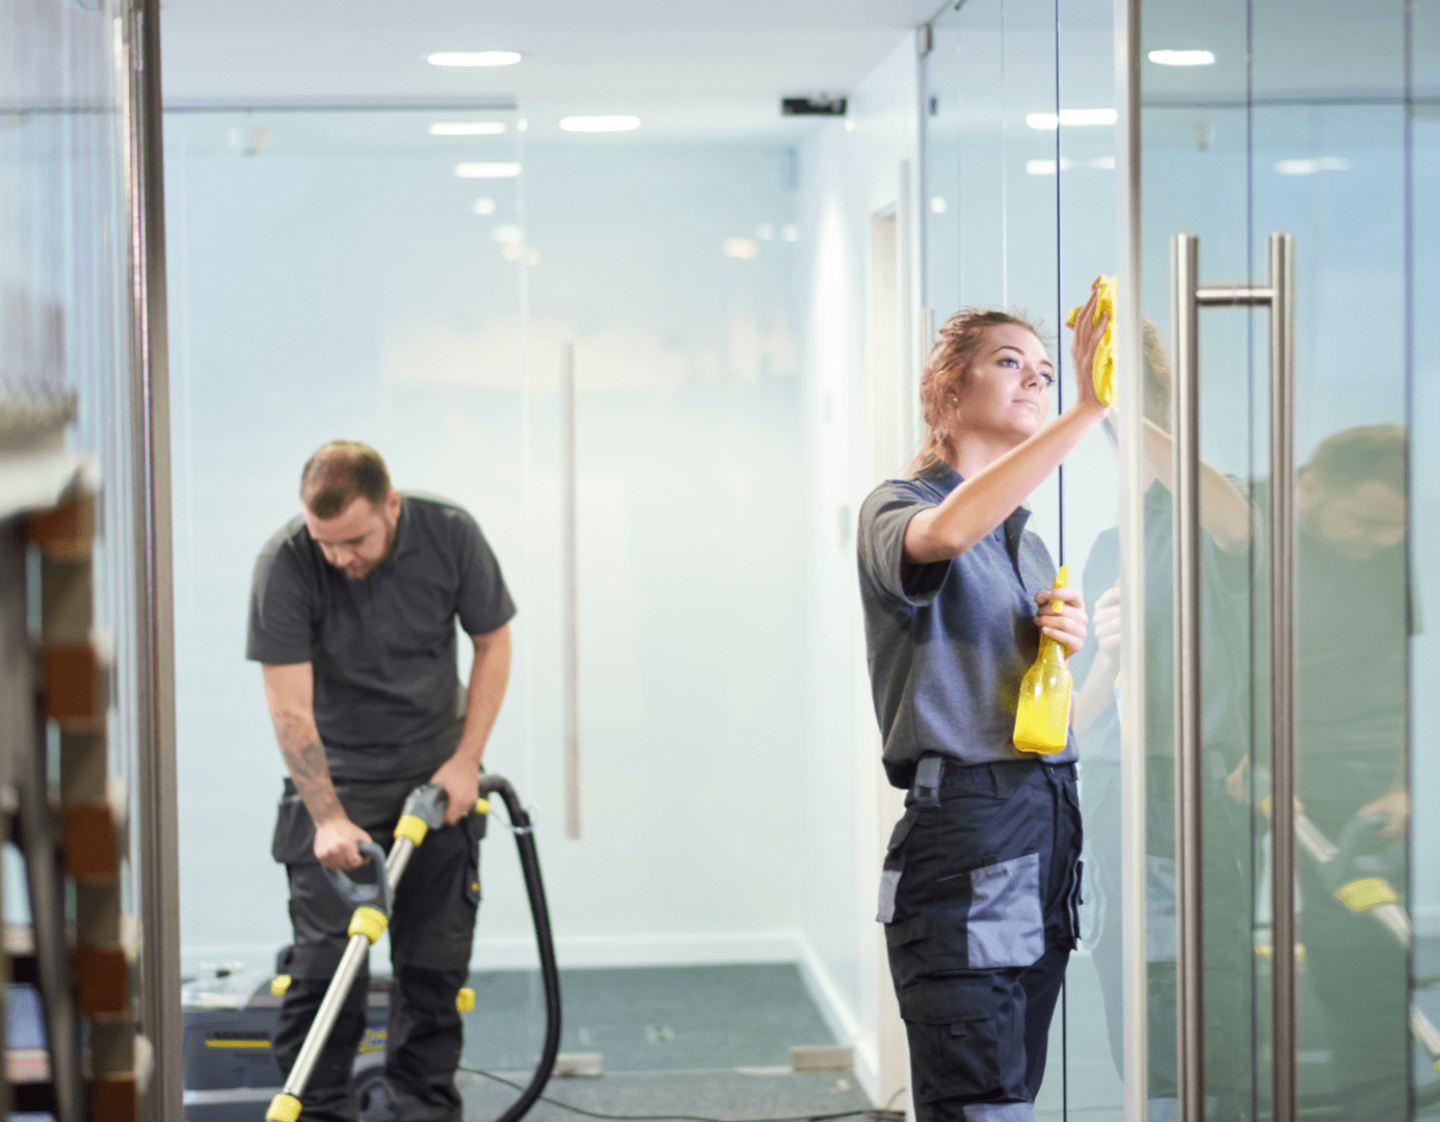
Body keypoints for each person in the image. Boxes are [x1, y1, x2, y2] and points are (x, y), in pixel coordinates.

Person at [857, 293, 1107, 1121]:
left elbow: (1049, 717)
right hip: (969, 829)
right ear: (947, 391)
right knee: (979, 1097)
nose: (1034, 380)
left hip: (1044, 819)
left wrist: (1063, 652)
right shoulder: (898, 506)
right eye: (1011, 363)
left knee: (1013, 1088)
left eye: (1044, 371)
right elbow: (944, 536)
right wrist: (1086, 410)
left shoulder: (1026, 542)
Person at [247, 441, 515, 1122]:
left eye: (355, 540)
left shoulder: (450, 536)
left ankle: (421, 1112)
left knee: (432, 977)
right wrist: (328, 817)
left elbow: (493, 642)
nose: (340, 557)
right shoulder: (286, 563)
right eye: (325, 541)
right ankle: (320, 1114)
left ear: (390, 506)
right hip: (336, 791)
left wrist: (466, 760)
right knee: (323, 980)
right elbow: (289, 708)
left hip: (437, 786)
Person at [1067, 323, 1256, 1122]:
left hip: (1194, 780)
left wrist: (1115, 400)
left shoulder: (1211, 512)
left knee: (1205, 966)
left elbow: (1232, 519)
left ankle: (1210, 1104)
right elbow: (1078, 714)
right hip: (1114, 781)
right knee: (1127, 966)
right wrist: (1108, 656)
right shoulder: (1109, 543)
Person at [1291, 424, 1410, 1122]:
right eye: (1367, 522)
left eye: (1395, 525)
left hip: (1369, 770)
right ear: (1310, 491)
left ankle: (1381, 1101)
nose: (1383, 539)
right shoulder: (1254, 535)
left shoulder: (1408, 551)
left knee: (1357, 948)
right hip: (1257, 759)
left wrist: (1406, 785)